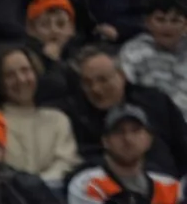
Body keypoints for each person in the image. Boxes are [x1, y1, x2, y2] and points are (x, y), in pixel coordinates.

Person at [69, 104, 182, 204]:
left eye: (135, 131)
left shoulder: (171, 187)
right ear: (105, 141)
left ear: (149, 140)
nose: (128, 138)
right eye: (118, 132)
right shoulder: (88, 184)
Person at [64, 46, 187, 178]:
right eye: (87, 83)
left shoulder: (155, 101)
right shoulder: (76, 115)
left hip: (171, 185)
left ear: (121, 76)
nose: (96, 89)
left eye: (103, 80)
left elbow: (183, 143)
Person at [0, 45, 79, 182]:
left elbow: (66, 162)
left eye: (25, 71)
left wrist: (37, 185)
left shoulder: (57, 119)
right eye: (10, 75)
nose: (21, 79)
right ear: (0, 83)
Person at [122, 0, 187, 122]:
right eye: (160, 20)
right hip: (148, 126)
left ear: (186, 25)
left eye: (175, 21)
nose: (167, 26)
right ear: (148, 22)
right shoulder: (132, 51)